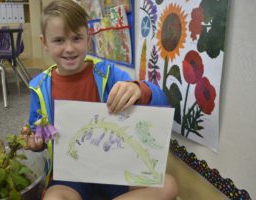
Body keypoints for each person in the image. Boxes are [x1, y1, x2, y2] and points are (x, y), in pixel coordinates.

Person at [22, 0, 178, 199]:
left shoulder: (108, 74)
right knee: (53, 197)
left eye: (76, 38)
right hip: (71, 177)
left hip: (116, 170)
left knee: (169, 185)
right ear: (44, 43)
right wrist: (37, 140)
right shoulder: (39, 87)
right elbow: (39, 131)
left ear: (88, 39)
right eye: (59, 40)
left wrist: (139, 89)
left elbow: (161, 101)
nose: (69, 48)